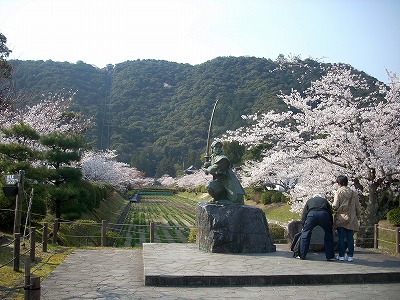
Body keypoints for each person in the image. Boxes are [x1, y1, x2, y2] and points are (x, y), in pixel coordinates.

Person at [332, 175, 361, 262]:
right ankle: (350, 256)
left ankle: (341, 255)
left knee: (341, 237)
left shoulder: (339, 192)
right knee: (350, 237)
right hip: (352, 217)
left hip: (342, 217)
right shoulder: (354, 193)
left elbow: (335, 205)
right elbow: (358, 207)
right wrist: (358, 216)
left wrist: (332, 207)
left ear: (339, 183)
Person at [299, 193, 335, 260]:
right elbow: (330, 213)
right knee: (328, 234)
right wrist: (331, 224)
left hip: (311, 215)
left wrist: (303, 225)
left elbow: (304, 214)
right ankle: (330, 257)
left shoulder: (309, 201)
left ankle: (302, 255)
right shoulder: (324, 201)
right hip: (324, 215)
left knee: (305, 235)